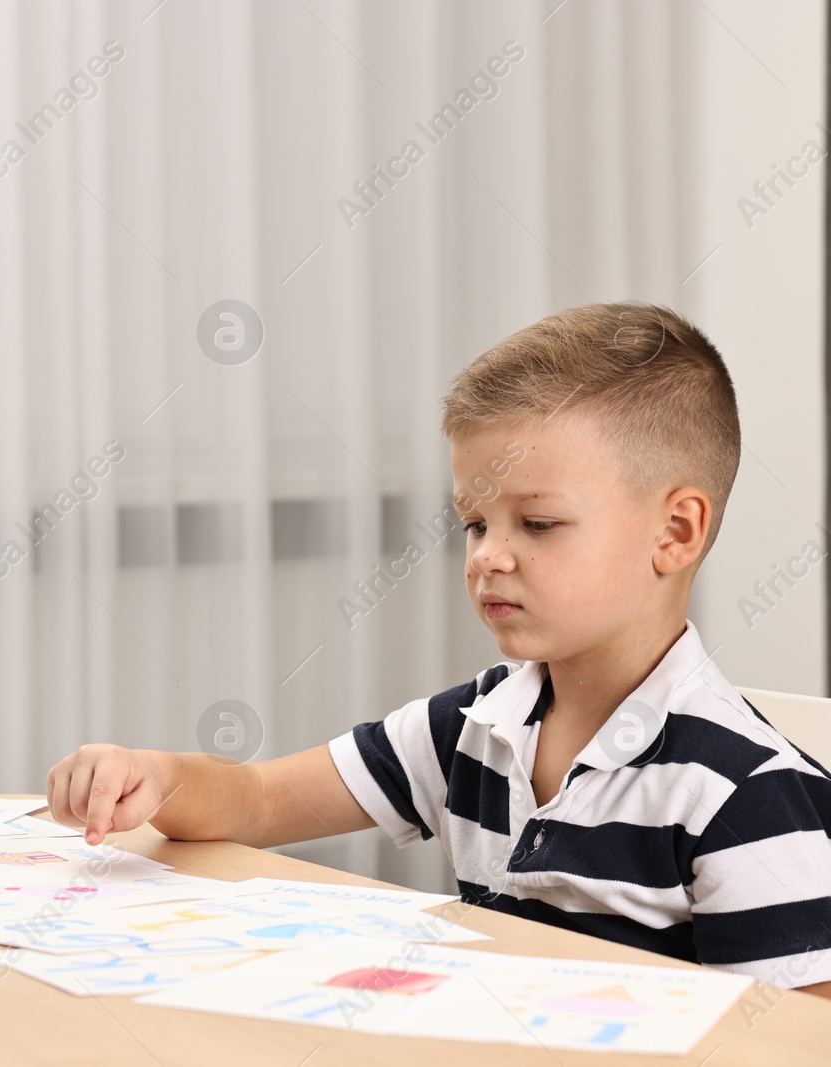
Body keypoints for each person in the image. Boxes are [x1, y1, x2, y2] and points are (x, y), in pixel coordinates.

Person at [47, 303, 831, 996]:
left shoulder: (747, 796)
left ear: (676, 532)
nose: (489, 554)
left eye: (538, 523)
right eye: (475, 522)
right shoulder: (475, 724)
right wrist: (155, 776)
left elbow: (798, 1045)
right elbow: (258, 799)